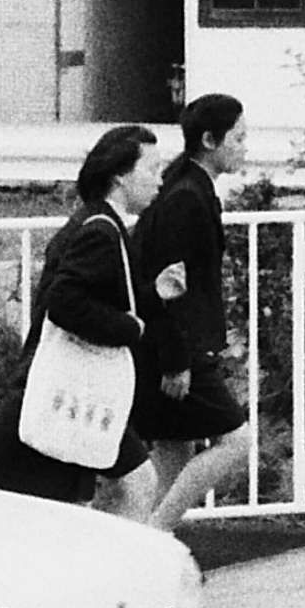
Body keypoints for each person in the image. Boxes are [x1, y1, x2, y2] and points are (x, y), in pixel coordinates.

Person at [0, 124, 158, 506]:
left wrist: (154, 295)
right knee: (135, 484)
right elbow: (66, 301)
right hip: (64, 386)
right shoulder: (101, 231)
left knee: (53, 505)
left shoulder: (95, 222)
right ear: (121, 176)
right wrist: (129, 328)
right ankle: (123, 565)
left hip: (65, 388)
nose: (159, 181)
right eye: (152, 169)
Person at [118, 94, 258, 530]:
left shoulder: (189, 187)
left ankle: (136, 544)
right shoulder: (186, 197)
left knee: (174, 453)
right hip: (178, 348)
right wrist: (177, 359)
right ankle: (157, 534)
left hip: (169, 345)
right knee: (236, 441)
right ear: (211, 140)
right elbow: (169, 286)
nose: (245, 147)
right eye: (239, 138)